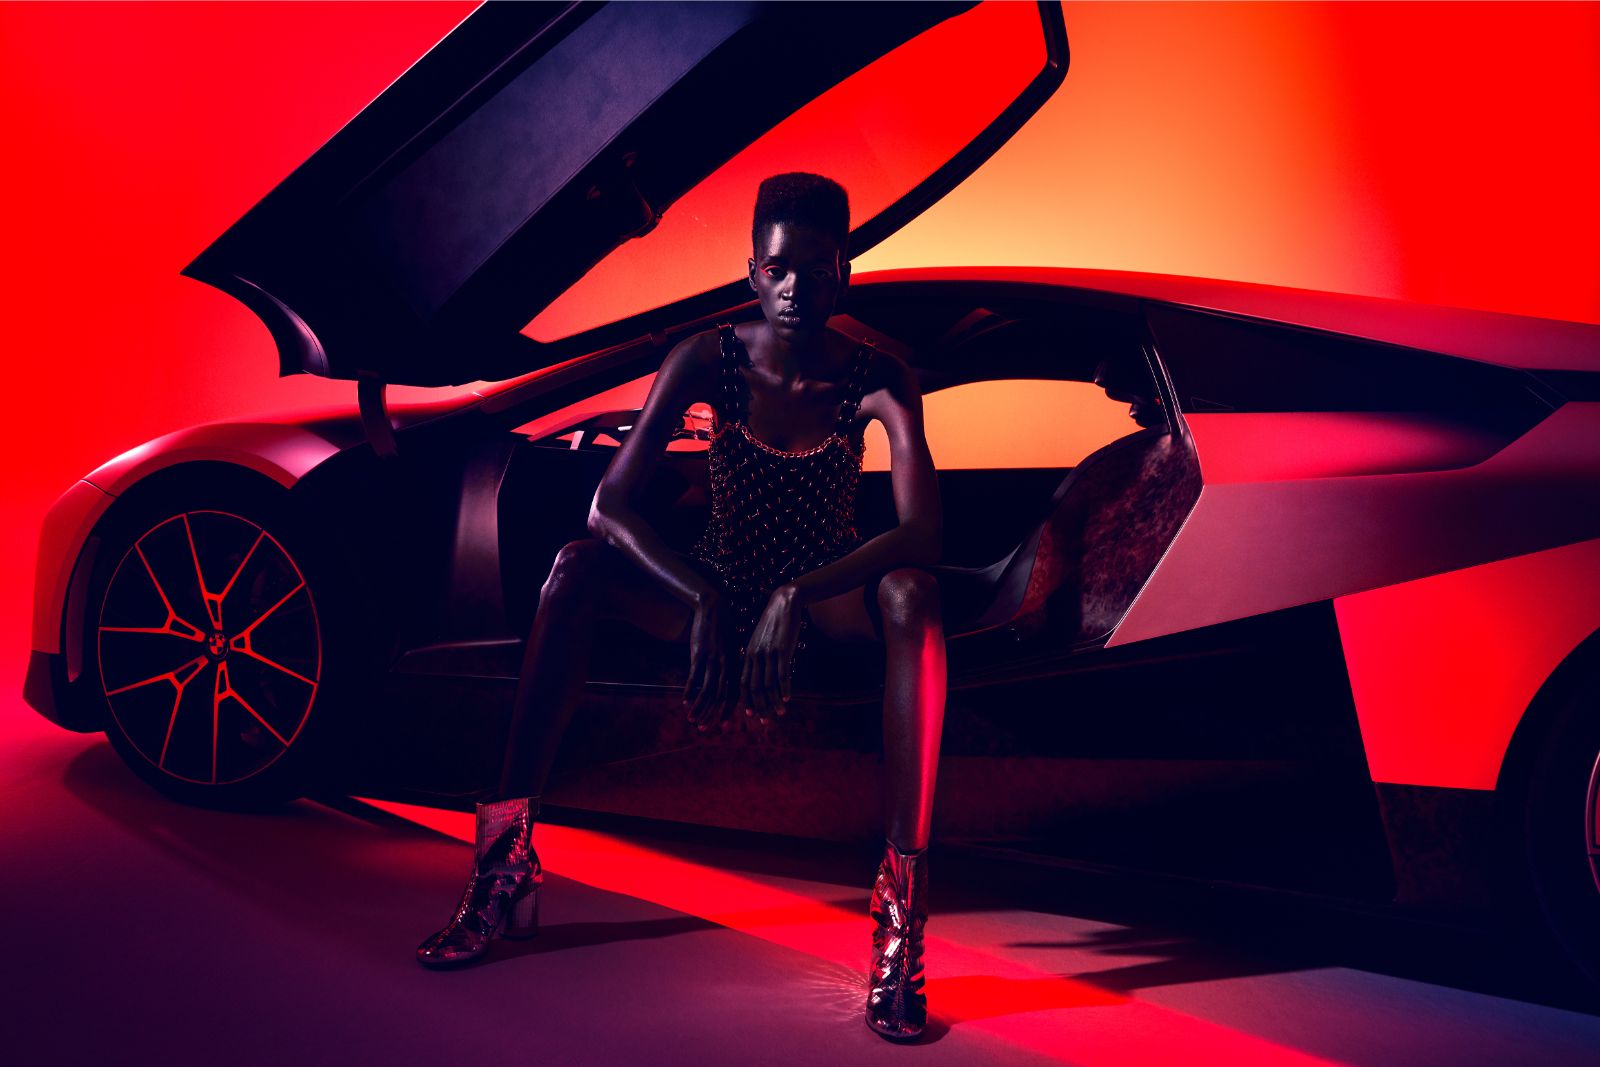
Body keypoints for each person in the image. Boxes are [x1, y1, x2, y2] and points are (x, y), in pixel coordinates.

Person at [415, 172, 948, 1042]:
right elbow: (608, 507)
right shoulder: (708, 358)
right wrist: (700, 594)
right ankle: (504, 862)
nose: (794, 289)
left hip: (822, 598)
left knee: (913, 595)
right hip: (719, 573)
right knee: (575, 569)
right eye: (777, 269)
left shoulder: (878, 377)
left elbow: (922, 530)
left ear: (843, 274)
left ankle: (901, 917)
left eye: (816, 270)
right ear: (751, 271)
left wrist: (798, 591)